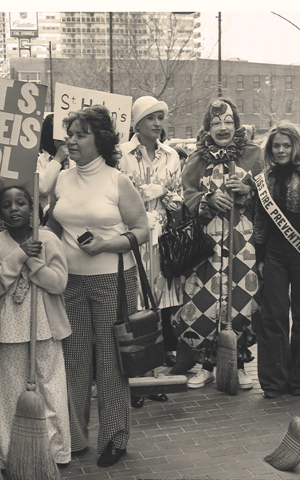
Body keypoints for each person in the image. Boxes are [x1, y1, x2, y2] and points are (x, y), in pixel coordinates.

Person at [45, 105, 150, 468]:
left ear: (100, 140)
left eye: (80, 135)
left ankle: (114, 438)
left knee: (110, 362)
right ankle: (72, 439)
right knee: (72, 362)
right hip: (68, 282)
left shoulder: (117, 181)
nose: (71, 141)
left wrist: (106, 244)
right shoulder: (60, 178)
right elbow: (53, 225)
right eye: (69, 134)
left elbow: (142, 231)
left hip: (112, 281)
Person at [174, 97, 263, 391]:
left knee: (242, 300)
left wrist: (248, 190)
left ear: (236, 124)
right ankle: (207, 365)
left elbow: (268, 193)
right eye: (216, 123)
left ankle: (236, 364)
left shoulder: (253, 154)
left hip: (242, 240)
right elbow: (185, 197)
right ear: (207, 127)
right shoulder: (196, 159)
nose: (223, 128)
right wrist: (207, 200)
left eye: (228, 122)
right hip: (207, 243)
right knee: (203, 301)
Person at [0, 186, 72, 468]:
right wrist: (19, 255)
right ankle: (9, 455)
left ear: (33, 209)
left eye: (21, 202)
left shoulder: (47, 239)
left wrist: (34, 260)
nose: (14, 208)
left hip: (46, 325)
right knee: (9, 394)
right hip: (10, 328)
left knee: (52, 389)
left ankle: (57, 452)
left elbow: (58, 284)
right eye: (7, 204)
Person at [119, 96, 184, 407]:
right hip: (131, 238)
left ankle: (154, 375)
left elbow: (180, 197)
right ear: (137, 122)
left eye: (161, 117)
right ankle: (133, 377)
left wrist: (167, 193)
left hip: (161, 240)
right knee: (132, 307)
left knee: (156, 308)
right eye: (150, 118)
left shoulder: (172, 156)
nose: (157, 123)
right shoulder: (121, 155)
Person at [253, 121, 300, 398]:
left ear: (296, 145)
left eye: (286, 145)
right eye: (276, 146)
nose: (281, 150)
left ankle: (299, 380)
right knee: (273, 316)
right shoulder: (265, 176)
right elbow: (261, 219)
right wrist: (260, 256)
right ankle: (273, 380)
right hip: (274, 252)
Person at [35, 113, 70, 225]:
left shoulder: (75, 160)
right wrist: (57, 160)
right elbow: (43, 188)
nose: (63, 141)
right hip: (45, 222)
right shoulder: (38, 161)